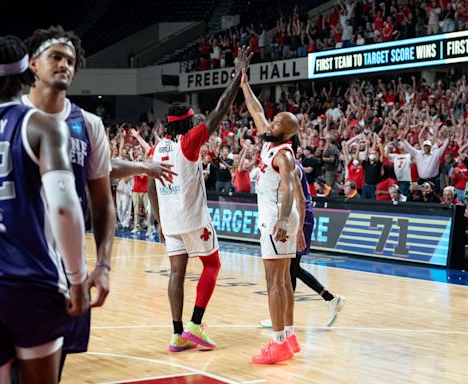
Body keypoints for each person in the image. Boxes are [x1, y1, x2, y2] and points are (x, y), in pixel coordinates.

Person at [22, 25, 175, 380]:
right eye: (56, 57)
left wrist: (103, 264)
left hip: (60, 267)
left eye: (70, 60)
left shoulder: (87, 124)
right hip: (7, 260)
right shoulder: (9, 117)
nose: (64, 65)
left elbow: (102, 191)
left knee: (48, 373)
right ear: (33, 64)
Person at [0, 35, 88, 384]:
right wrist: (77, 280)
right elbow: (64, 207)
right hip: (31, 281)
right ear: (25, 74)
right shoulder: (41, 124)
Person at [148, 47, 253, 353]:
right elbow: (220, 109)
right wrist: (237, 77)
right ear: (187, 123)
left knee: (176, 274)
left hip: (169, 222)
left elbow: (153, 187)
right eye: (193, 120)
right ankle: (195, 324)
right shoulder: (188, 143)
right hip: (192, 219)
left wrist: (157, 219)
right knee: (212, 265)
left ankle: (177, 334)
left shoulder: (159, 148)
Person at [241, 68, 302, 364]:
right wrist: (244, 84)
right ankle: (289, 335)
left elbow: (290, 187)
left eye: (278, 122)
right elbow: (255, 109)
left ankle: (277, 342)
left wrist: (281, 220)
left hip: (278, 218)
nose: (272, 121)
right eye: (274, 118)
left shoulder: (284, 154)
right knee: (285, 280)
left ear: (287, 132)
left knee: (274, 282)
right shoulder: (270, 141)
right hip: (282, 217)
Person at [260, 141, 346, 331]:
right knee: (292, 269)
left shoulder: (292, 166)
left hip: (300, 216)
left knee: (289, 269)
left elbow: (300, 199)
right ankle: (329, 299)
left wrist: (298, 230)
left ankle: (284, 319)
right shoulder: (285, 162)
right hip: (298, 216)